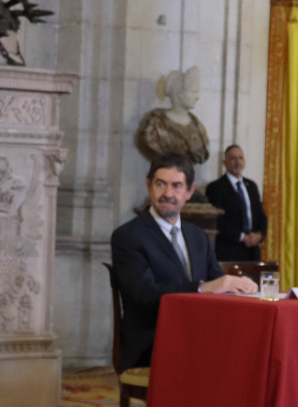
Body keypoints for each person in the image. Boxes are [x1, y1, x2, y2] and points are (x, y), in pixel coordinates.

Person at [110, 153, 258, 368]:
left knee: (250, 353)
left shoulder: (199, 236)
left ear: (189, 191)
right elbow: (144, 294)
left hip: (198, 336)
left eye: (177, 186)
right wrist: (201, 288)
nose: (167, 193)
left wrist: (240, 287)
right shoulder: (129, 236)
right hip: (152, 342)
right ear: (149, 186)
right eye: (161, 184)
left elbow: (217, 283)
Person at [204, 144, 267, 261]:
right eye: (233, 158)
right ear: (225, 162)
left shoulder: (251, 186)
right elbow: (217, 220)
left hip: (252, 252)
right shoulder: (215, 187)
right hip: (228, 250)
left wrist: (260, 235)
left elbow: (261, 215)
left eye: (240, 158)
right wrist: (242, 237)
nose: (237, 162)